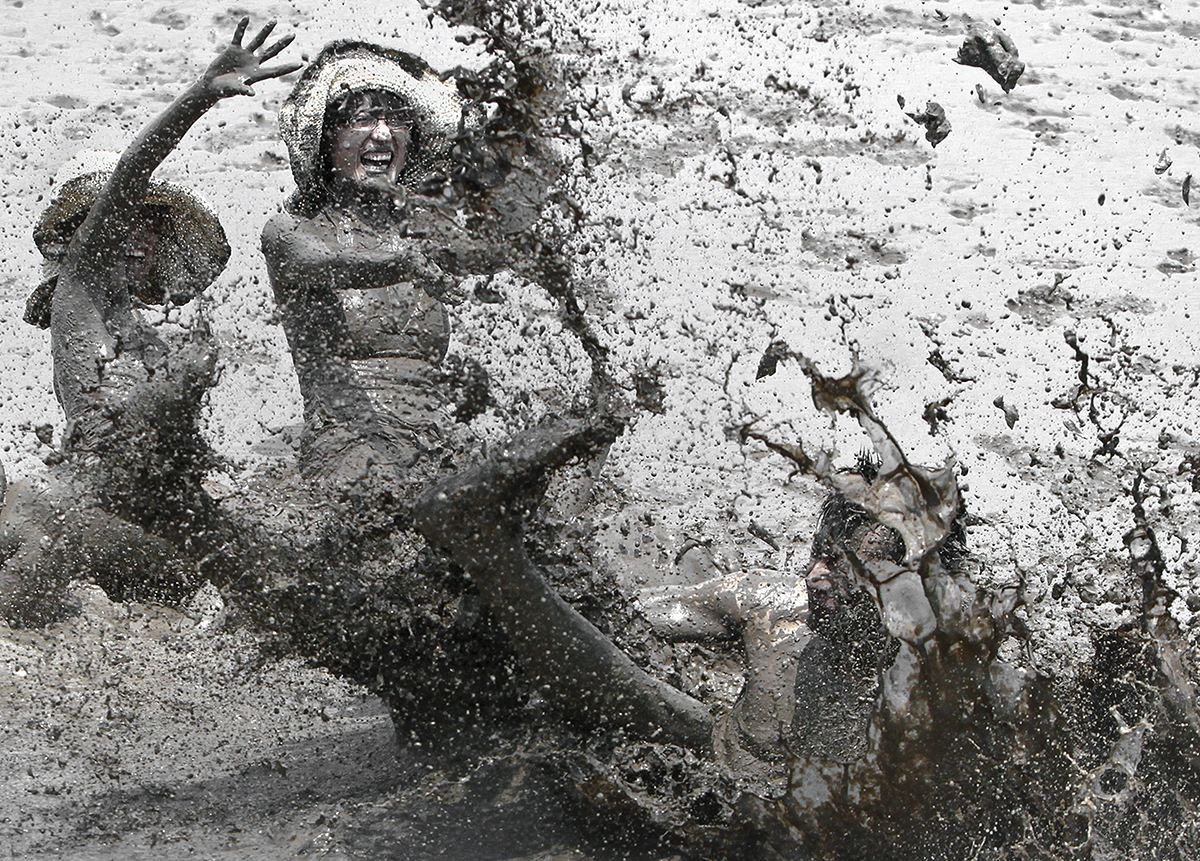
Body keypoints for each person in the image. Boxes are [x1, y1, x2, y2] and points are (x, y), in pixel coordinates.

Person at [0, 18, 301, 625]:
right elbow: (128, 178)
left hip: (155, 528)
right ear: (85, 235)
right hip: (93, 517)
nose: (135, 233)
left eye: (151, 222)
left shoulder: (145, 334)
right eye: (119, 221)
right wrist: (198, 97)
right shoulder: (79, 299)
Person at [262, 41, 486, 512]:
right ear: (328, 138)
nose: (383, 134)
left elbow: (495, 251)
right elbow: (328, 266)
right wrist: (404, 264)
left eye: (397, 119)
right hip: (348, 444)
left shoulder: (429, 231)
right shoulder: (292, 232)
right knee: (385, 499)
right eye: (362, 118)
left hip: (437, 440)